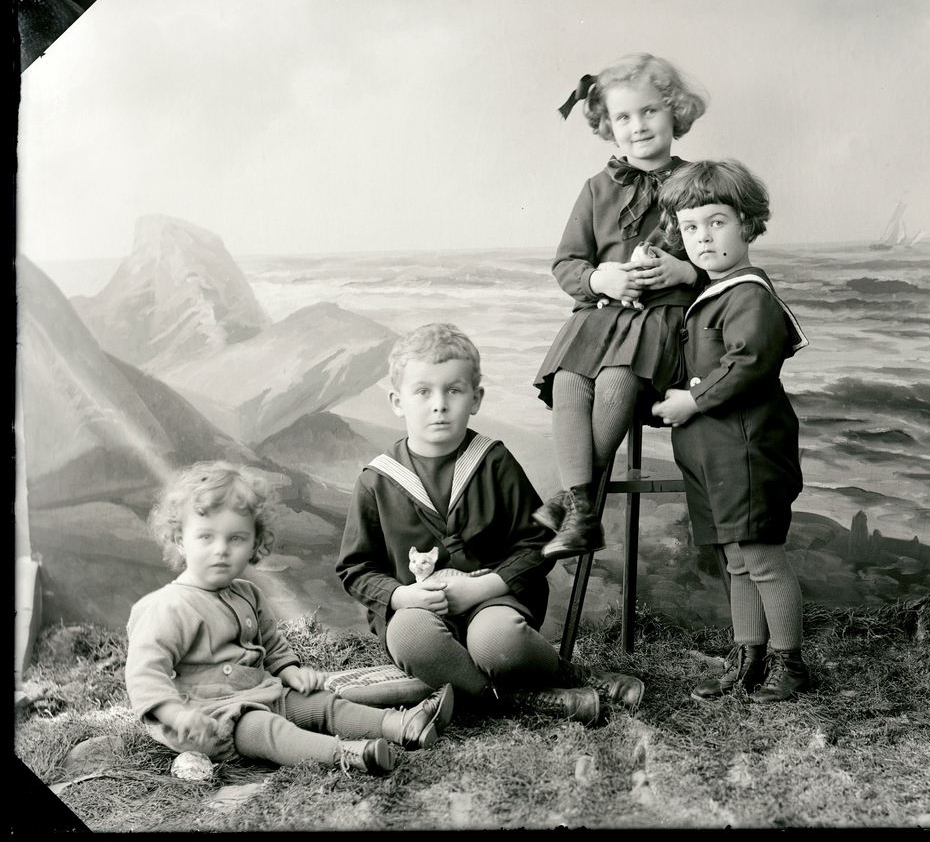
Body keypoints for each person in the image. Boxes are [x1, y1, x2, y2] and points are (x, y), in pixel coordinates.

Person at [337, 323, 645, 725]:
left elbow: (538, 544)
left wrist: (485, 587)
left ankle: (568, 675)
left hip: (493, 603)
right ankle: (518, 700)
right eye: (423, 391)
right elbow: (356, 568)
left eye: (454, 390)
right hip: (420, 611)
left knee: (498, 642)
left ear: (476, 399)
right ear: (397, 402)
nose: (439, 405)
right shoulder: (376, 480)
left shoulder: (492, 461)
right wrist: (400, 596)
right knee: (410, 637)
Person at [125, 461, 453, 777]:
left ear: (254, 543)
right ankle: (346, 754)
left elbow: (272, 645)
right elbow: (145, 672)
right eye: (206, 537)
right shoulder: (168, 607)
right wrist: (175, 714)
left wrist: (290, 672)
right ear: (180, 541)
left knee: (322, 704)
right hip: (209, 719)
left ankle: (401, 724)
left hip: (263, 695)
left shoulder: (248, 594)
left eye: (236, 538)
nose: (221, 549)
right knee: (269, 730)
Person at [533, 53, 710, 560]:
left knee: (615, 380)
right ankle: (582, 512)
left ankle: (570, 503)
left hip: (662, 322)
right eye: (624, 117)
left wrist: (686, 273)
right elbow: (567, 263)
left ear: (675, 111)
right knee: (569, 379)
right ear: (608, 125)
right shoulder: (596, 188)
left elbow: (728, 261)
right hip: (601, 316)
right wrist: (599, 277)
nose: (638, 126)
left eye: (650, 111)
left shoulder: (701, 182)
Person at [651, 160, 812, 703]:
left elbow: (750, 363)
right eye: (690, 227)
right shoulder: (714, 291)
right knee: (737, 559)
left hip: (746, 448)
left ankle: (789, 663)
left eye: (716, 223)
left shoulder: (748, 294)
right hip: (715, 452)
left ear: (747, 224)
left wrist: (691, 400)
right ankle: (749, 657)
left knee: (761, 557)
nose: (703, 237)